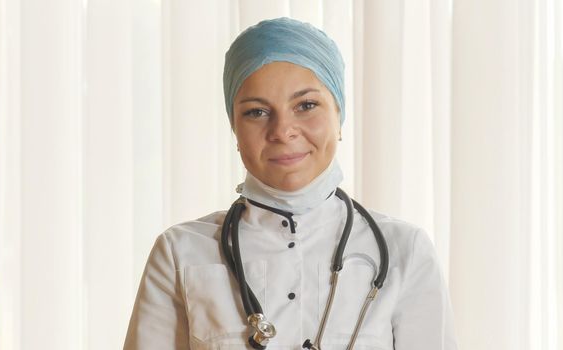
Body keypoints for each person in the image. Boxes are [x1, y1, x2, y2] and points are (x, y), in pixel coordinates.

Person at [124, 17, 457, 350]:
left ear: (339, 115)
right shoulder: (179, 253)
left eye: (306, 106)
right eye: (256, 112)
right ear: (234, 128)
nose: (282, 131)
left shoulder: (405, 251)